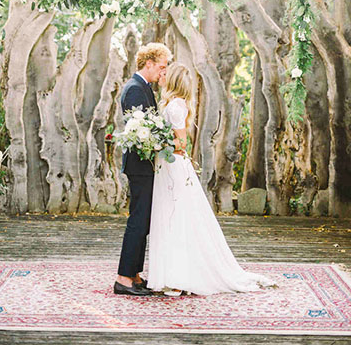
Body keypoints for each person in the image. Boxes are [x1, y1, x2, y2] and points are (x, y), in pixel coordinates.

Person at [147, 63, 275, 296]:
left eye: (166, 73)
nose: (161, 75)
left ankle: (180, 278)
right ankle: (169, 273)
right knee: (167, 218)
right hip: (165, 167)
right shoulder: (169, 102)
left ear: (174, 79)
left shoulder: (176, 106)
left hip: (174, 168)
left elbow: (182, 144)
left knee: (178, 220)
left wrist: (156, 144)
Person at [114, 42, 172, 296]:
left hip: (145, 166)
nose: (164, 72)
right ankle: (124, 278)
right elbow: (140, 132)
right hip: (140, 166)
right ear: (148, 64)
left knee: (144, 221)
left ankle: (135, 275)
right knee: (138, 221)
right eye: (161, 66)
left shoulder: (144, 88)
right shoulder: (135, 89)